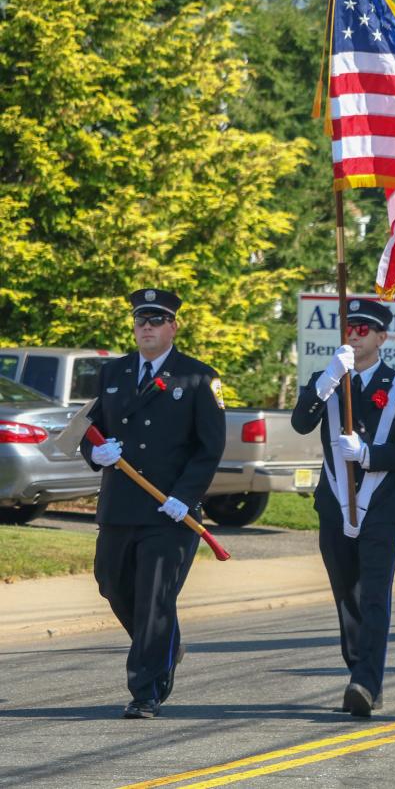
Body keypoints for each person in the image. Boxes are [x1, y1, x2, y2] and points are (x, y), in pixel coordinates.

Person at [83, 288, 226, 719]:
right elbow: (86, 431)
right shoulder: (113, 372)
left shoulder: (199, 377)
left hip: (170, 512)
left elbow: (210, 447)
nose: (146, 327)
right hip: (121, 505)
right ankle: (166, 643)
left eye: (156, 320)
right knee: (110, 582)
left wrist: (186, 498)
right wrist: (96, 453)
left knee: (154, 599)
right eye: (141, 319)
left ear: (173, 327)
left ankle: (145, 690)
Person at [291, 298, 395, 717]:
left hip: (381, 508)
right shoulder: (326, 379)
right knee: (345, 595)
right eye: (350, 328)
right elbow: (300, 423)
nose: (355, 334)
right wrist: (328, 380)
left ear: (382, 338)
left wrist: (370, 454)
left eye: (364, 329)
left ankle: (366, 683)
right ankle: (360, 669)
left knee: (373, 596)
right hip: (334, 505)